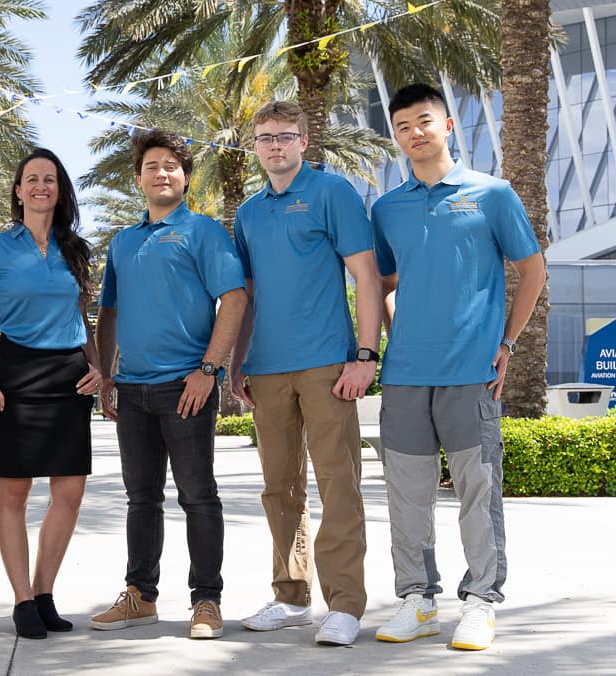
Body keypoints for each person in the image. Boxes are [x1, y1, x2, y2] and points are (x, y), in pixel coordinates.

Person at [370, 83, 544, 651]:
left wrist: (508, 343)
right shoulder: (387, 207)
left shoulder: (492, 194)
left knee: (477, 490)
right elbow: (386, 282)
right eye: (403, 126)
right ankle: (418, 601)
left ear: (448, 126)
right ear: (395, 137)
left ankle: (480, 602)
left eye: (425, 121)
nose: (414, 132)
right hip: (403, 377)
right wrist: (401, 332)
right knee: (407, 493)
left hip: (471, 371)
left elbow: (533, 271)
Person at [229, 100, 382, 647]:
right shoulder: (247, 212)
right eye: (265, 137)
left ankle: (345, 605)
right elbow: (244, 296)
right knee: (279, 488)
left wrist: (365, 355)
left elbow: (365, 276)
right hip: (267, 369)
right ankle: (291, 597)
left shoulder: (332, 192)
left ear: (303, 141)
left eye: (285, 136)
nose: (275, 145)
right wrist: (237, 362)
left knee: (339, 483)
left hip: (326, 365)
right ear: (253, 145)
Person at [90, 129, 247, 640]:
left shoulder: (204, 232)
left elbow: (235, 300)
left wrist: (209, 371)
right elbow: (107, 311)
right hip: (131, 391)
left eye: (172, 167)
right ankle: (141, 596)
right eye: (152, 166)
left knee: (198, 496)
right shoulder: (124, 241)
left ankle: (206, 601)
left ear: (185, 176)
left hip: (186, 388)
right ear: (139, 178)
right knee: (141, 498)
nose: (162, 173)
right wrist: (108, 373)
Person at [0, 148, 103, 639]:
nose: (41, 186)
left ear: (60, 190)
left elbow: (83, 320)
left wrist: (97, 367)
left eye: (50, 179)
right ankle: (21, 599)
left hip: (69, 375)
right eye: (32, 179)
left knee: (70, 491)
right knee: (16, 490)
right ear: (18, 190)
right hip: (17, 372)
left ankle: (44, 592)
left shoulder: (77, 249)